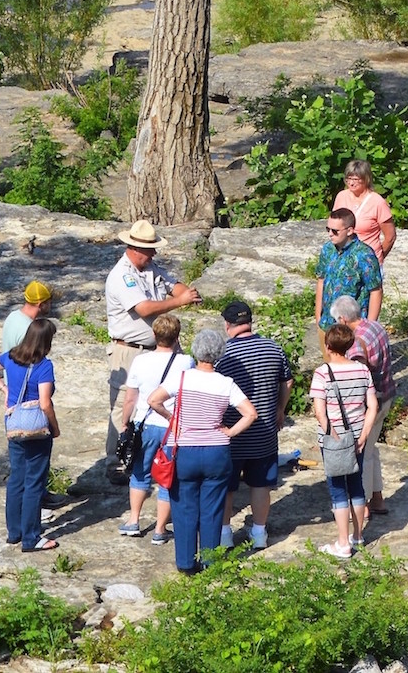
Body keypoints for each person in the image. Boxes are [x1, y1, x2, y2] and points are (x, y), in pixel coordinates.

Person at [150, 327, 255, 573]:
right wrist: (230, 432)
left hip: (184, 449)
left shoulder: (182, 378)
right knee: (212, 508)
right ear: (219, 354)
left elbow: (153, 400)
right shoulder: (226, 383)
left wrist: (171, 417)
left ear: (196, 351)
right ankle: (209, 560)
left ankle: (186, 563)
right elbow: (250, 413)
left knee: (184, 507)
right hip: (216, 451)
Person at [105, 222, 197, 469]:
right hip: (130, 349)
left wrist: (186, 292)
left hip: (157, 348)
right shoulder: (121, 275)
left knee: (164, 398)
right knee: (126, 402)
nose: (154, 254)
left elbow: (171, 283)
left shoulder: (149, 267)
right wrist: (180, 301)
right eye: (150, 249)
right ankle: (116, 461)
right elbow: (143, 308)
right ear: (135, 248)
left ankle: (158, 453)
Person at [0, 316, 60, 553]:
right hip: (36, 429)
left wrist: (5, 388)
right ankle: (31, 537)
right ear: (46, 341)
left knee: (16, 479)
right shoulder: (44, 366)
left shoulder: (11, 357)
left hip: (14, 425)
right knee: (34, 482)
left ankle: (14, 532)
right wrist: (54, 427)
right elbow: (45, 403)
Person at [215, 298, 290, 550]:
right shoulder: (273, 348)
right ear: (249, 322)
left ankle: (224, 535)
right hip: (265, 430)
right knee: (260, 484)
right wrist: (279, 409)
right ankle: (259, 533)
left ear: (228, 324)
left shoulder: (224, 355)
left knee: (227, 487)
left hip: (232, 433)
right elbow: (287, 382)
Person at [311, 323, 379, 558]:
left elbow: (320, 412)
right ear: (350, 346)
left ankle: (342, 543)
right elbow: (373, 406)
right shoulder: (362, 370)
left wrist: (333, 433)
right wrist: (364, 433)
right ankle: (358, 536)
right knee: (356, 485)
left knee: (338, 488)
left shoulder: (322, 373)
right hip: (358, 435)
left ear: (328, 346)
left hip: (334, 439)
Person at [115, 313, 185, 539]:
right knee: (167, 477)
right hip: (172, 425)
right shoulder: (186, 361)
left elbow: (130, 398)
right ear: (177, 337)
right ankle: (160, 529)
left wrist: (125, 422)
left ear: (153, 335)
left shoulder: (141, 361)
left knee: (139, 472)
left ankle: (134, 520)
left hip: (145, 422)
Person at [334, 294, 395, 514]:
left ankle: (363, 505)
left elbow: (359, 376)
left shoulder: (355, 343)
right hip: (386, 394)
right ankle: (377, 499)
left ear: (342, 319)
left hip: (370, 403)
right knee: (371, 450)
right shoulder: (375, 327)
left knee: (362, 455)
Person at [316, 207, 385, 325]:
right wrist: (318, 317)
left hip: (352, 326)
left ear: (349, 231)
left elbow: (376, 290)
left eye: (335, 231)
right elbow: (321, 280)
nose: (330, 234)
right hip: (327, 322)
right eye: (328, 229)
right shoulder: (328, 249)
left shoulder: (364, 254)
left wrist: (369, 328)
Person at [334, 160, 396, 264]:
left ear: (366, 179)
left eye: (355, 179)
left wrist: (376, 258)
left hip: (367, 261)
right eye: (348, 179)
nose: (351, 183)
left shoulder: (377, 202)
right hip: (342, 258)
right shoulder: (341, 196)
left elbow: (390, 237)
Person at [1, 280, 53, 352]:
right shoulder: (30, 330)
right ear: (41, 304)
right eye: (50, 302)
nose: (51, 305)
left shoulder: (12, 316)